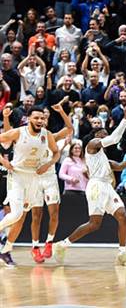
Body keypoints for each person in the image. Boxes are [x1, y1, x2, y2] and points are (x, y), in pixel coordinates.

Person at [53, 106, 126, 266]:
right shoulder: (92, 145)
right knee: (94, 224)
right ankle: (62, 244)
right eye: (104, 134)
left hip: (107, 187)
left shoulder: (104, 159)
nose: (106, 136)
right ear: (98, 135)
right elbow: (114, 138)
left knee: (123, 216)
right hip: (96, 186)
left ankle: (122, 254)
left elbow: (120, 166)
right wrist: (125, 118)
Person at [2, 97, 73, 264]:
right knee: (19, 215)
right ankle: (25, 247)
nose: (40, 120)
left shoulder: (48, 135)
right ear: (28, 119)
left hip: (37, 178)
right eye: (36, 118)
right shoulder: (19, 132)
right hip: (18, 175)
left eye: (42, 118)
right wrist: (3, 161)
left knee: (29, 216)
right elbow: (5, 139)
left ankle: (6, 250)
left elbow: (58, 149)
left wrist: (48, 164)